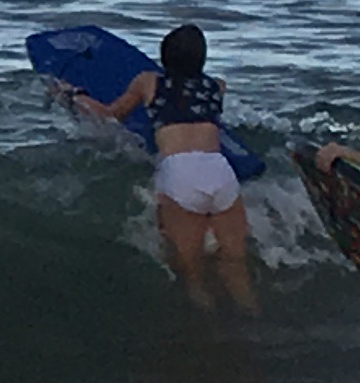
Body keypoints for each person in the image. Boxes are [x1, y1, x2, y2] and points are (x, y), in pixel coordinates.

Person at [87, 21, 257, 314]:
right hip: (220, 170)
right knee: (235, 267)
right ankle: (254, 322)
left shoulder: (147, 82)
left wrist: (74, 95)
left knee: (192, 274)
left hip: (180, 173)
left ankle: (209, 331)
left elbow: (111, 115)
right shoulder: (217, 86)